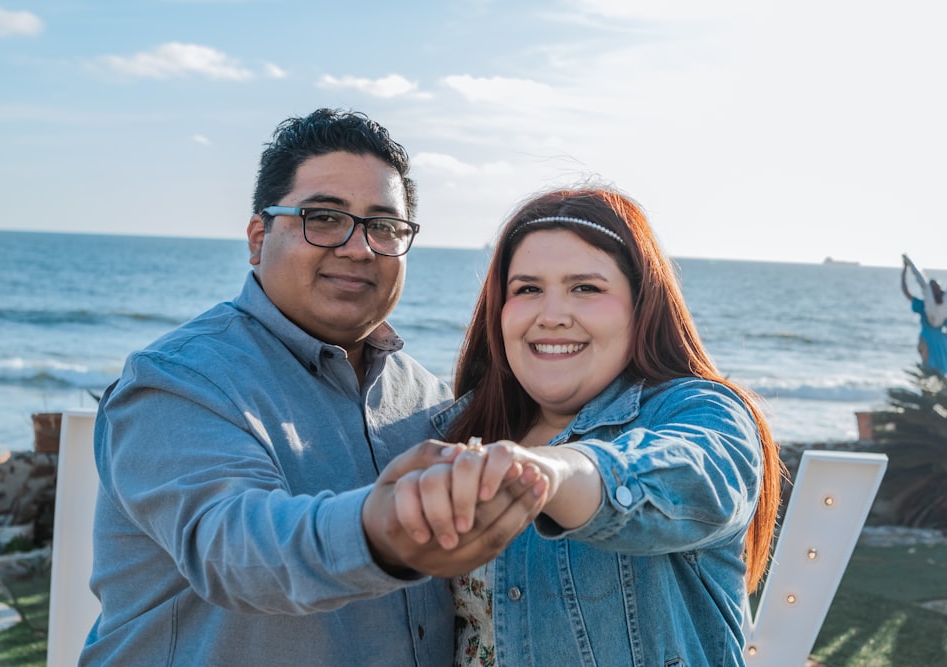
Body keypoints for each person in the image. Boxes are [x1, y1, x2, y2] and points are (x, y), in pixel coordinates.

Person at [81, 108, 547, 666]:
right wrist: (380, 533)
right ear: (259, 237)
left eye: (384, 226)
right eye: (323, 217)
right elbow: (236, 549)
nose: (359, 247)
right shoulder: (177, 381)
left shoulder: (426, 399)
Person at [393, 186, 783, 665]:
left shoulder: (702, 411)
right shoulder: (455, 431)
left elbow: (696, 478)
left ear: (641, 307)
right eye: (528, 289)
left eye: (586, 288)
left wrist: (546, 473)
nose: (551, 316)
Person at [900, 257, 947, 374]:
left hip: (926, 340)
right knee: (940, 373)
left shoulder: (924, 306)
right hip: (940, 343)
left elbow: (906, 292)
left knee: (928, 372)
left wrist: (904, 270)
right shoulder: (942, 309)